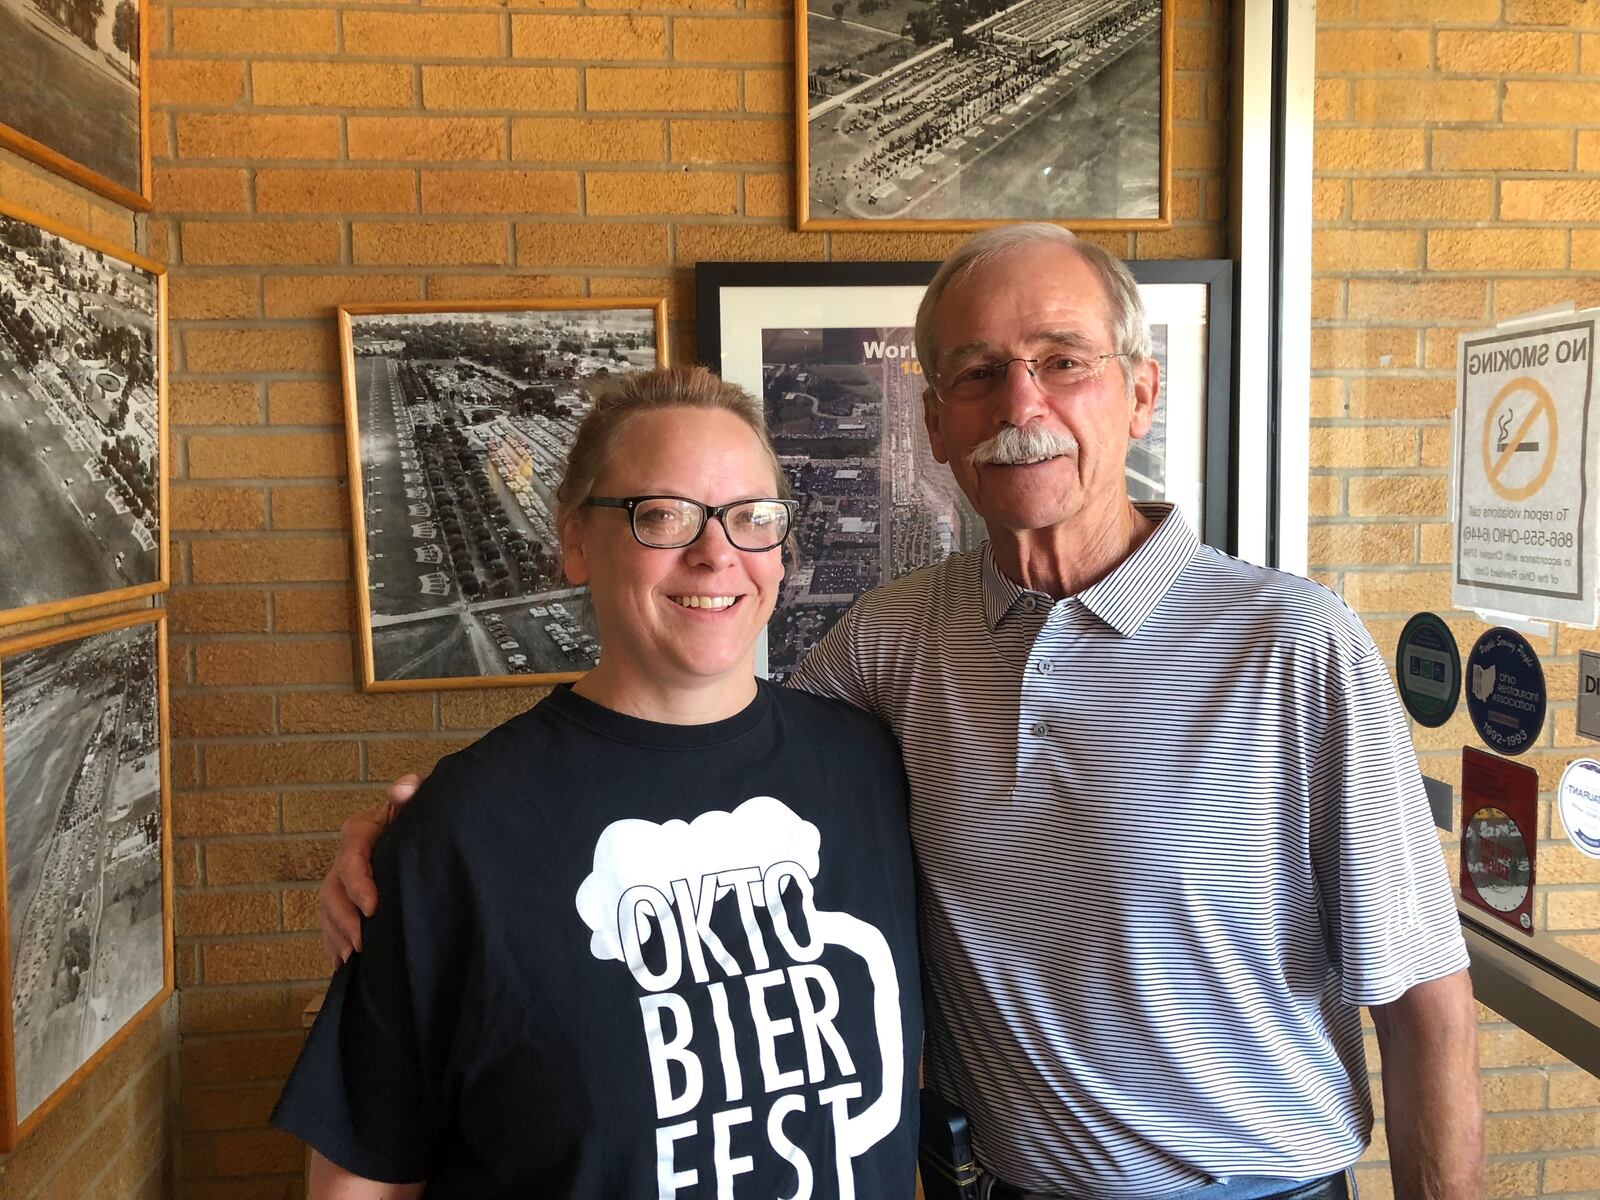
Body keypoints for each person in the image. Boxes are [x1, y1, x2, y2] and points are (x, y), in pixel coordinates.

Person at [323, 226, 1484, 1199]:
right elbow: (694, 735)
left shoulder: (1289, 642)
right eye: (976, 373)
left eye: (1061, 361)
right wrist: (430, 841)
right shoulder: (891, 642)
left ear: (1140, 391)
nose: (1018, 401)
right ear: (935, 425)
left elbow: (1426, 1002)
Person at [277, 366, 923, 1199]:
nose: (717, 552)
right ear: (576, 542)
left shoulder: (871, 767)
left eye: (752, 518)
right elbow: (359, 1181)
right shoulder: (462, 830)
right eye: (663, 515)